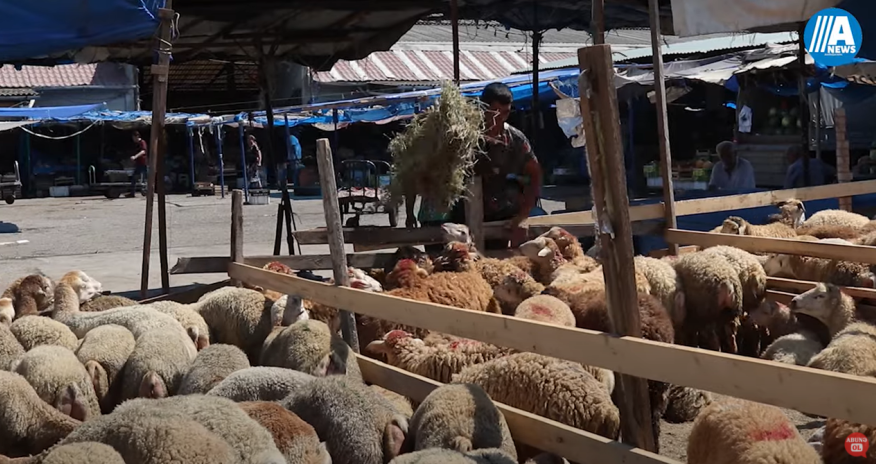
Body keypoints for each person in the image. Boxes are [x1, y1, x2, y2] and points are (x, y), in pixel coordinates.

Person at [412, 82, 542, 251]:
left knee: (491, 264)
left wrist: (523, 214)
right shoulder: (459, 136)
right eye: (494, 112)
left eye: (505, 113)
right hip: (453, 219)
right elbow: (425, 169)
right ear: (482, 109)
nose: (499, 119)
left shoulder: (514, 139)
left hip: (493, 216)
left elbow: (535, 173)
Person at [127, 131, 148, 198]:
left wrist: (135, 156)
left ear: (137, 136)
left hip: (143, 163)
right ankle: (132, 193)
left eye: (133, 138)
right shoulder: (136, 144)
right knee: (134, 178)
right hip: (138, 163)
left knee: (144, 178)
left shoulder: (142, 142)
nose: (133, 139)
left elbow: (143, 151)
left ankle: (147, 192)